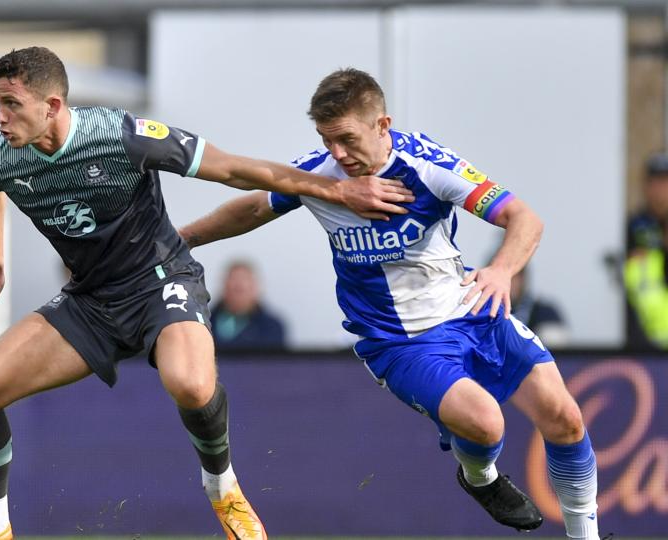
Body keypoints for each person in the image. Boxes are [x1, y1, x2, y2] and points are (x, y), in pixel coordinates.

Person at [0, 47, 414, 540]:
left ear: (52, 106)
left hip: (160, 281)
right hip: (91, 302)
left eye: (11, 104)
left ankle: (223, 487)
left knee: (190, 386)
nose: (0, 117)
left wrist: (336, 189)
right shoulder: (2, 154)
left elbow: (234, 169)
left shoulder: (120, 136)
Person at [180, 68, 606, 540]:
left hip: (471, 310)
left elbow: (523, 218)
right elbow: (254, 207)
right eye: (326, 140)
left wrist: (502, 269)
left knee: (565, 419)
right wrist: (183, 239)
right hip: (399, 341)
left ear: (383, 125)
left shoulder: (427, 164)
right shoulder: (318, 176)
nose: (337, 154)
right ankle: (480, 478)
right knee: (486, 424)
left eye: (345, 138)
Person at [623, 152, 668, 349]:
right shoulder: (635, 225)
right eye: (656, 182)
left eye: (665, 182)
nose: (661, 190)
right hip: (643, 330)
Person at [210, 260, 287, 351]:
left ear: (255, 288)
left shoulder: (272, 327)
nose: (239, 285)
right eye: (236, 288)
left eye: (242, 289)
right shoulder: (204, 322)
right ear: (224, 287)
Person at [510, 265, 568, 347]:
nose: (508, 282)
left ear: (523, 279)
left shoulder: (546, 313)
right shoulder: (487, 315)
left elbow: (555, 352)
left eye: (513, 276)